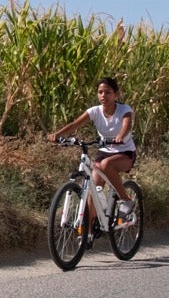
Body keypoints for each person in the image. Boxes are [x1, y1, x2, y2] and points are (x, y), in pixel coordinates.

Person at [49, 77, 137, 222]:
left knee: (106, 165)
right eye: (100, 92)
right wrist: (57, 135)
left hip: (124, 152)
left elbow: (126, 125)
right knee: (93, 194)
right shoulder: (95, 111)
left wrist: (120, 136)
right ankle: (86, 237)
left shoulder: (124, 109)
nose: (103, 96)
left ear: (116, 94)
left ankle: (125, 199)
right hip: (104, 152)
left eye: (108, 92)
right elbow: (75, 124)